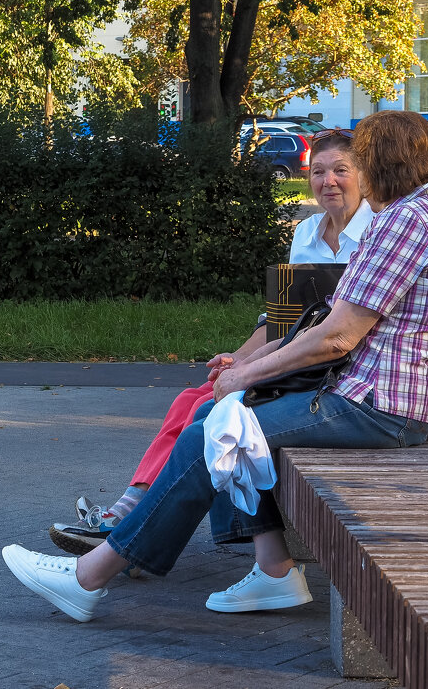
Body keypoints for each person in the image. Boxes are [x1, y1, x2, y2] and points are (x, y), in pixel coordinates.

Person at [3, 110, 428, 622]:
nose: (350, 172)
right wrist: (247, 369)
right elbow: (317, 322)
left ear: (385, 162)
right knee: (218, 420)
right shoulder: (424, 213)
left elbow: (337, 337)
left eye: (362, 160)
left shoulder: (405, 222)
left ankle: (88, 577)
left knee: (216, 434)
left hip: (375, 407)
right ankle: (274, 571)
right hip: (373, 398)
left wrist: (247, 373)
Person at [50, 128, 375, 558]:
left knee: (215, 410)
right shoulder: (307, 234)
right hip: (293, 358)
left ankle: (129, 521)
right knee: (195, 395)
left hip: (332, 369)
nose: (327, 180)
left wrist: (251, 369)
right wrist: (238, 358)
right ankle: (131, 508)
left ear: (365, 176)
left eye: (340, 170)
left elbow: (333, 333)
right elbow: (283, 320)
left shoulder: (377, 236)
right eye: (318, 171)